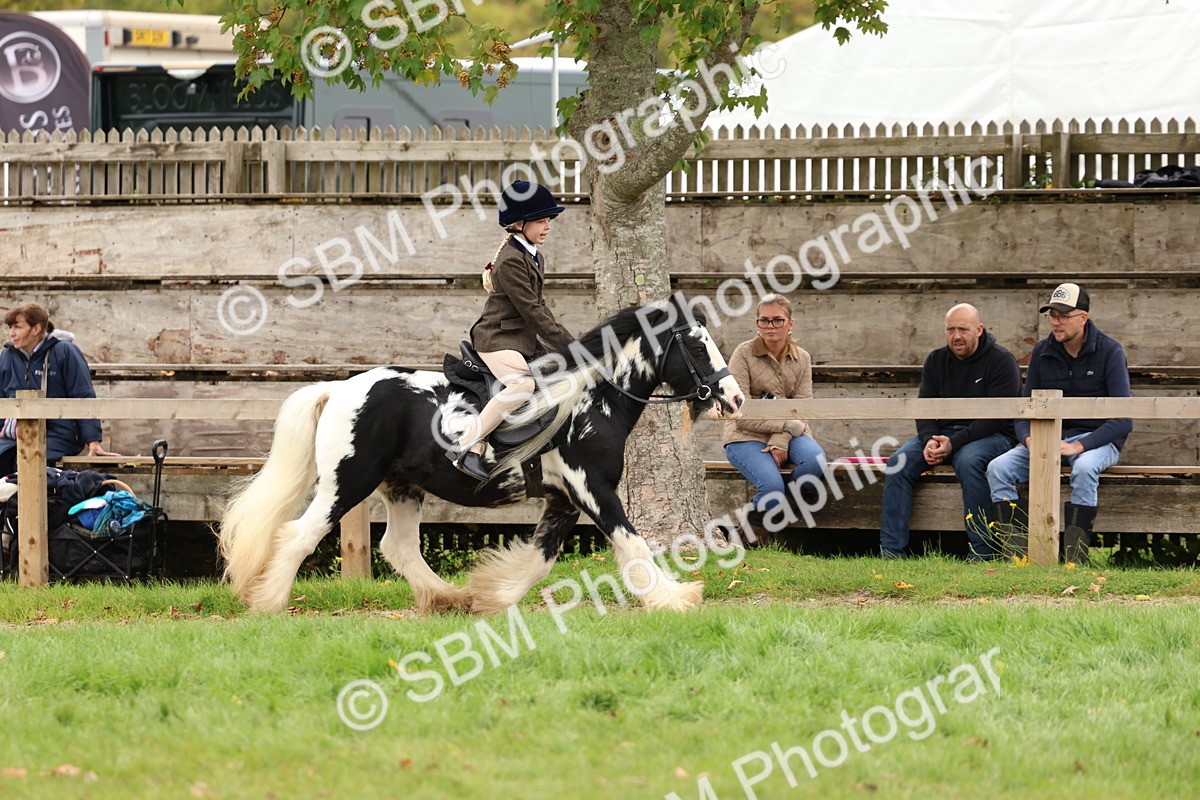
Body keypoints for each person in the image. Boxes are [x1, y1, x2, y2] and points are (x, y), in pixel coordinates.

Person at [986, 283, 1131, 563]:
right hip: (1048, 439)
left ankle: (1075, 560)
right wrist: (1030, 439)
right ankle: (1018, 558)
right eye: (1052, 314)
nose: (1056, 321)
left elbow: (1124, 419)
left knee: (1086, 468)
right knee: (998, 468)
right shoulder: (1042, 352)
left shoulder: (1110, 351)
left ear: (1083, 318)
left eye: (1063, 315)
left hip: (1096, 440)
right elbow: (1025, 409)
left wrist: (1080, 445)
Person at [448, 181, 575, 481]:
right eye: (541, 221)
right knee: (522, 386)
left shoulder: (533, 255)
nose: (548, 227)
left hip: (519, 338)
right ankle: (465, 446)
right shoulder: (510, 261)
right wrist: (571, 347)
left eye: (549, 221)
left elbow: (540, 307)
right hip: (496, 338)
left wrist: (566, 346)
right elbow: (532, 312)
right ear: (520, 224)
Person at [879, 304, 1020, 559]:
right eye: (951, 329)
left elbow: (997, 417)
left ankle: (983, 552)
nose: (956, 336)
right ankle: (891, 551)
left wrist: (953, 443)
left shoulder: (1001, 360)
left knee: (968, 461)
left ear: (979, 329)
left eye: (963, 329)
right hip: (943, 434)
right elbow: (924, 408)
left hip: (992, 435)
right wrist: (929, 440)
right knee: (897, 463)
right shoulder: (936, 360)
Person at [723, 294, 827, 546]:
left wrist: (781, 437)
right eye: (764, 320)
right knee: (771, 487)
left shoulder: (802, 357)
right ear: (757, 324)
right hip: (745, 435)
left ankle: (753, 526)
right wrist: (784, 426)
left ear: (790, 323)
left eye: (778, 320)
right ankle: (746, 541)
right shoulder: (743, 354)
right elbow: (739, 411)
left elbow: (803, 406)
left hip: (792, 432)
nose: (770, 326)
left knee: (815, 462)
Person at [0, 303, 121, 474]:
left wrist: (92, 440)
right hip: (17, 432)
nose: (12, 333)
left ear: (36, 329)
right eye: (11, 327)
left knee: (27, 462)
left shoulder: (65, 351)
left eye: (18, 327)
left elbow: (83, 394)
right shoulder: (7, 355)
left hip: (60, 432)